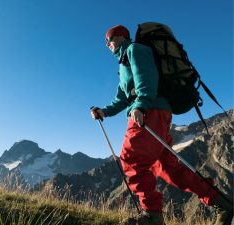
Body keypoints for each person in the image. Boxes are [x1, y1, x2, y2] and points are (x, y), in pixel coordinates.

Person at [90, 25, 233, 225]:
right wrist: (103, 111)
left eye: (109, 39)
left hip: (148, 112)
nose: (107, 44)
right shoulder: (123, 63)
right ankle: (221, 203)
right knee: (167, 169)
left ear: (121, 36)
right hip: (155, 112)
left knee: (131, 160)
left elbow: (147, 80)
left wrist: (140, 105)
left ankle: (152, 217)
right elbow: (123, 97)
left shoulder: (135, 50)